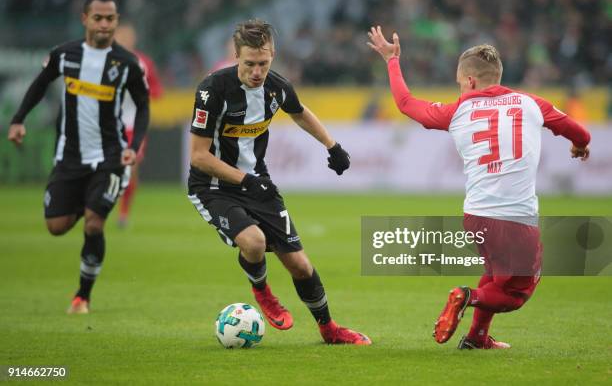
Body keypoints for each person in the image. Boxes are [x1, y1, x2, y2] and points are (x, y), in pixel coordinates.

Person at [367, 26, 590, 349]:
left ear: (470, 81)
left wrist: (392, 60)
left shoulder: (457, 110)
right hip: (516, 218)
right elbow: (578, 131)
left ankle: (476, 338)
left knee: (496, 274)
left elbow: (405, 103)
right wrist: (580, 146)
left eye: (460, 84)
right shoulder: (531, 104)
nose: (460, 89)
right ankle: (465, 297)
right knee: (515, 294)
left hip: (475, 216)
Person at [188, 19, 371, 345]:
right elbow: (199, 156)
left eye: (263, 63)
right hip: (213, 186)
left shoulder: (276, 86)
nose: (256, 71)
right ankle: (263, 292)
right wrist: (245, 180)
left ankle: (330, 330)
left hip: (257, 182)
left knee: (300, 265)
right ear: (235, 56)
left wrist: (332, 146)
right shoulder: (212, 90)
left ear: (273, 55)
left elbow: (299, 112)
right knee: (255, 242)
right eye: (249, 64)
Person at [7, 0, 150, 314]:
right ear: (85, 19)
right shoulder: (64, 55)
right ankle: (86, 203)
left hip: (111, 156)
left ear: (116, 21)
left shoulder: (127, 63)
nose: (104, 24)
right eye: (98, 18)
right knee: (56, 226)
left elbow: (143, 106)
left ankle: (82, 296)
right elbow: (40, 84)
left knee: (94, 224)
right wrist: (18, 120)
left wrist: (133, 144)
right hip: (69, 157)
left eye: (110, 19)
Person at [114, 22, 164, 227]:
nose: (126, 40)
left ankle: (123, 214)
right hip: (107, 123)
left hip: (134, 124)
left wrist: (140, 92)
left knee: (130, 167)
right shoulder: (105, 60)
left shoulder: (143, 62)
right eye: (122, 36)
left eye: (129, 36)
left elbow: (157, 91)